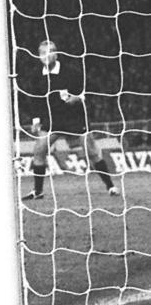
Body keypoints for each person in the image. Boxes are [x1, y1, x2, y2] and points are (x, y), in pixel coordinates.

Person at [22, 40, 119, 200]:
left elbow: (91, 88)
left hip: (75, 117)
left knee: (92, 151)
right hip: (53, 119)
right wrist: (36, 120)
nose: (46, 55)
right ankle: (38, 191)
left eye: (50, 51)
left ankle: (111, 186)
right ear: (38, 56)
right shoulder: (37, 76)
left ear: (56, 54)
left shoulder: (71, 72)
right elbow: (35, 100)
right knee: (39, 150)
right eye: (42, 53)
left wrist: (77, 98)